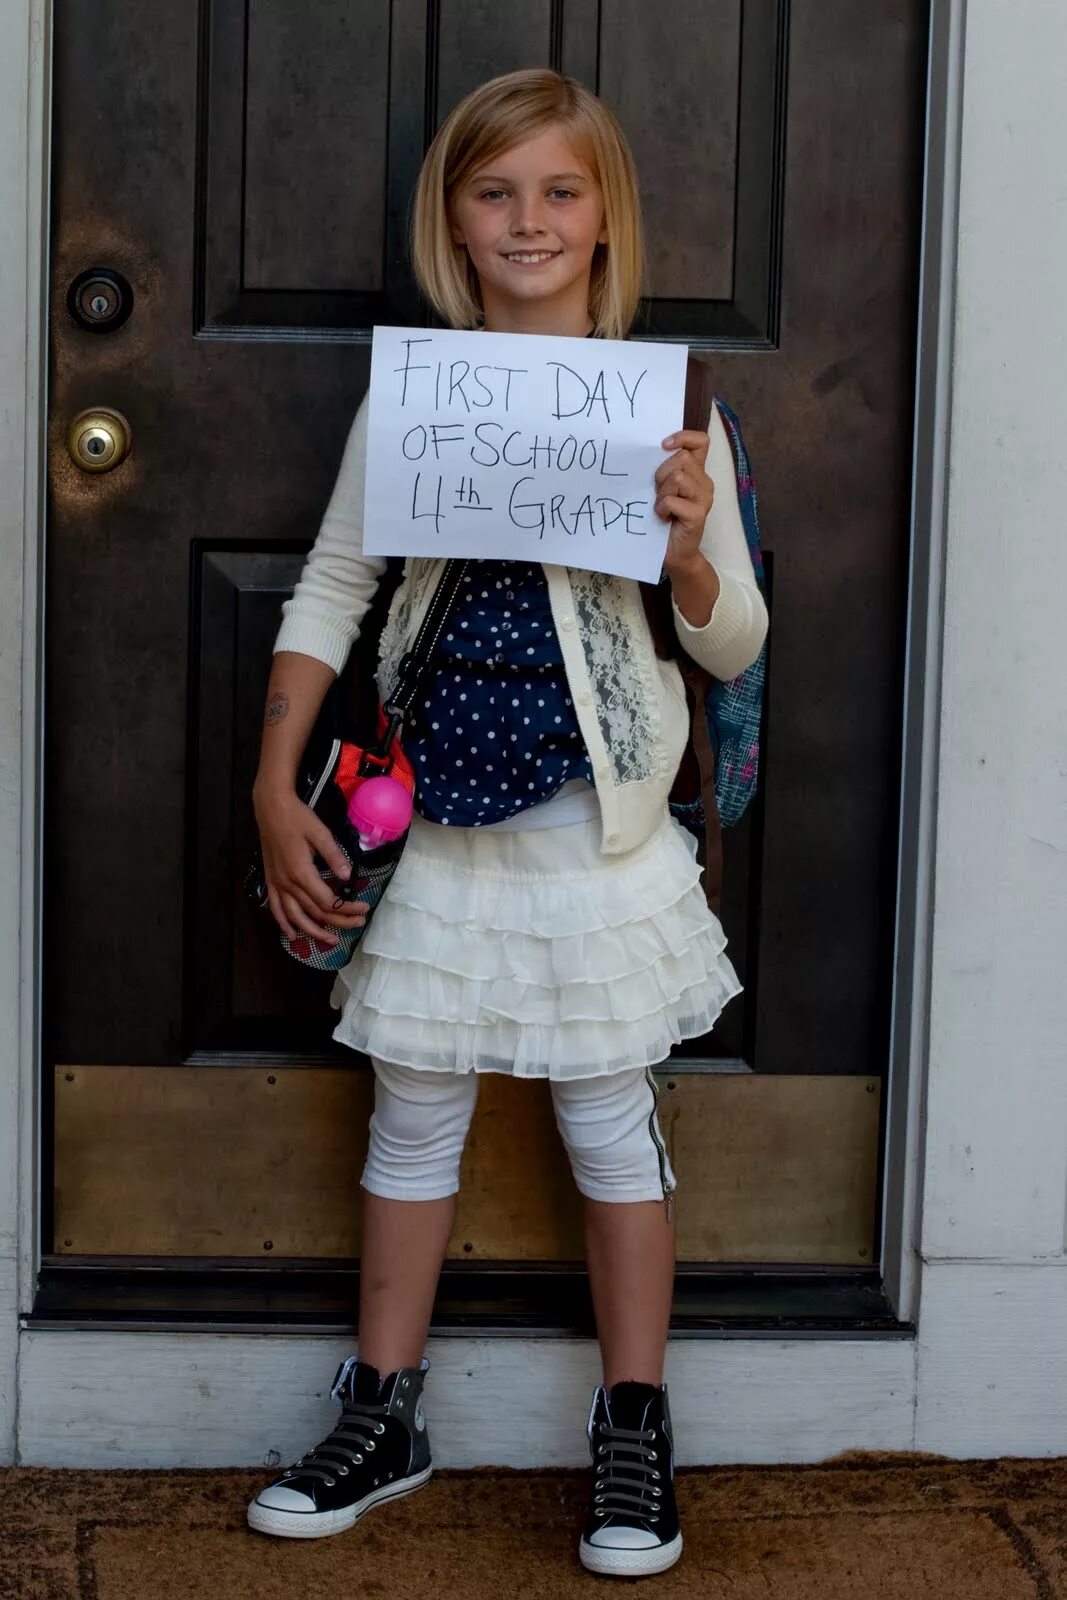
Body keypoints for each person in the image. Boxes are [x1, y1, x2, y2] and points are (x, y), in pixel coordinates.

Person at [246, 67, 767, 1578]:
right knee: (412, 1111)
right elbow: (336, 587)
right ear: (454, 226)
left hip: (585, 828)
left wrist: (682, 550)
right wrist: (276, 787)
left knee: (608, 1113)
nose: (527, 220)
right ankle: (387, 1407)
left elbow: (734, 642)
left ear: (605, 221)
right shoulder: (419, 398)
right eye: (495, 194)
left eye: (559, 191)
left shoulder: (670, 411)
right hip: (433, 829)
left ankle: (635, 1420)